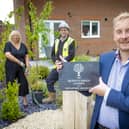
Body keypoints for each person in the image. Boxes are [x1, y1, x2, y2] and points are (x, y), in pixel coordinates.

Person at [89, 12, 129, 129]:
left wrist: (106, 92)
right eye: (119, 32)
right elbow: (92, 86)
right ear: (114, 36)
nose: (124, 36)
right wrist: (67, 72)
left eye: (128, 30)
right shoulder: (105, 58)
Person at [42, 21, 76, 103]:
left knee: (67, 84)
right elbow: (53, 54)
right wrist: (56, 62)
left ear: (68, 31)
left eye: (65, 30)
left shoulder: (71, 41)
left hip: (68, 66)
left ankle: (69, 101)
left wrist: (63, 62)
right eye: (62, 30)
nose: (63, 31)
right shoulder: (56, 40)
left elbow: (72, 55)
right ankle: (52, 97)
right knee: (49, 80)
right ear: (59, 31)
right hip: (57, 66)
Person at [4, 30, 29, 107]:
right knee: (10, 82)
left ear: (19, 37)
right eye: (14, 35)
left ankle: (25, 101)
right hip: (11, 67)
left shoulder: (23, 45)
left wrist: (27, 67)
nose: (15, 37)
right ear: (11, 36)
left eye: (17, 35)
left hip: (22, 67)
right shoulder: (8, 44)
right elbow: (8, 55)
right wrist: (19, 62)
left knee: (23, 83)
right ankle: (11, 101)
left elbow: (26, 56)